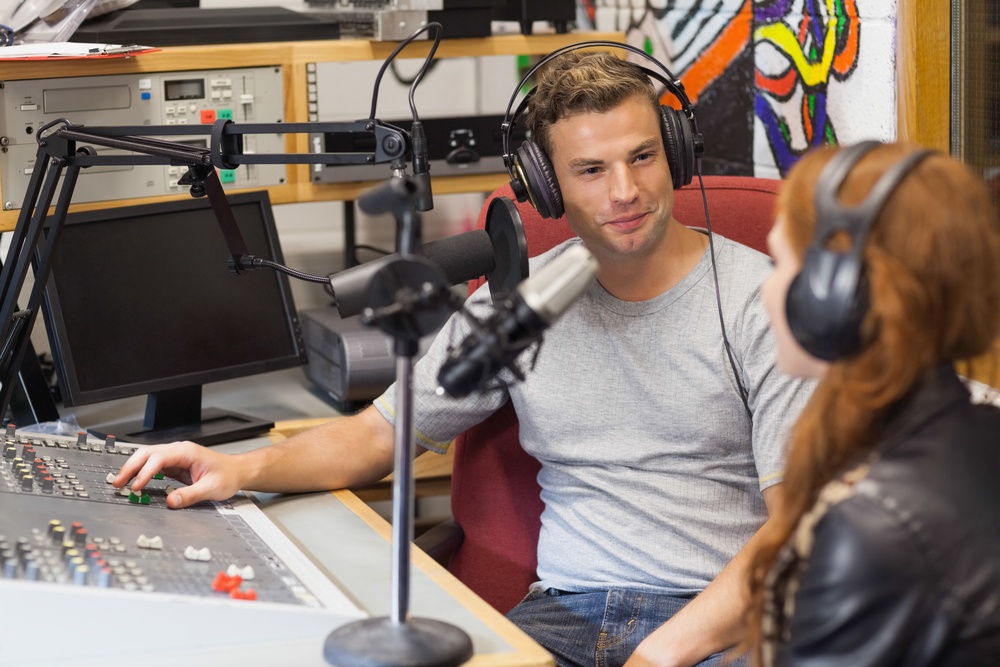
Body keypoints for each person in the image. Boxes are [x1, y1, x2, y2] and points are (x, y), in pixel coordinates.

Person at [114, 50, 811, 667]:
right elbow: (375, 434)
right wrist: (240, 466)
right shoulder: (519, 300)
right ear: (545, 185)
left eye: (643, 157)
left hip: (718, 623)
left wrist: (665, 651)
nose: (624, 191)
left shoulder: (762, 302)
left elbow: (796, 525)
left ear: (678, 153)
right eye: (591, 170)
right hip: (563, 617)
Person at [745, 141, 1000, 666]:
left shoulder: (870, 529)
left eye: (780, 263)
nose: (767, 290)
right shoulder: (980, 426)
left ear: (835, 295)